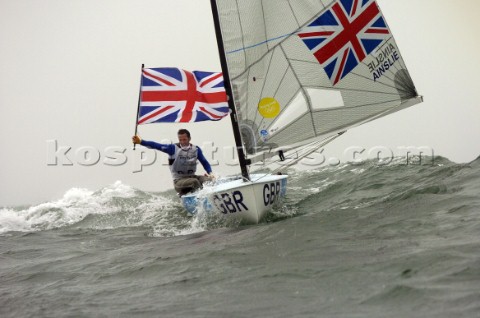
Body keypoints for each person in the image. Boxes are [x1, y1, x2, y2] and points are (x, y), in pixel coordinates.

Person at [132, 129, 214, 196]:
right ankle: (202, 199)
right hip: (179, 181)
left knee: (209, 180)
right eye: (180, 140)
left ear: (189, 139)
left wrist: (210, 172)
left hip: (192, 176)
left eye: (184, 139)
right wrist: (141, 142)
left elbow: (204, 162)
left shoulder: (196, 149)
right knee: (194, 182)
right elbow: (156, 145)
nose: (182, 142)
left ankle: (212, 197)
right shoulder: (172, 149)